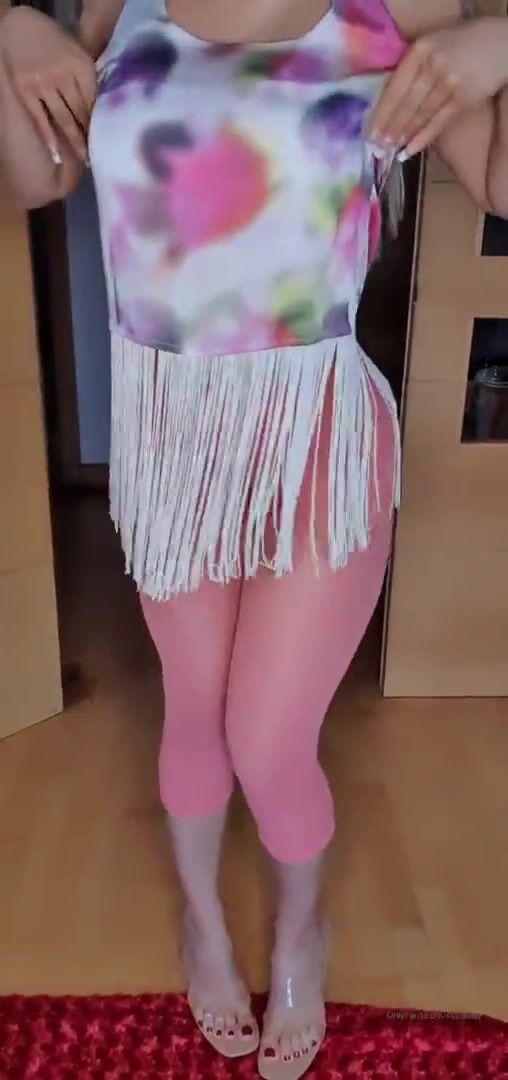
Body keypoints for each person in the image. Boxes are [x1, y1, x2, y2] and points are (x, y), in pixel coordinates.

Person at [1, 2, 508, 1077]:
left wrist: (502, 36)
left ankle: (299, 933)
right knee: (193, 710)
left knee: (268, 739)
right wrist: (7, 29)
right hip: (173, 433)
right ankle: (203, 925)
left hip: (315, 429)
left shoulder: (393, 8)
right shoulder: (119, 6)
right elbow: (35, 179)